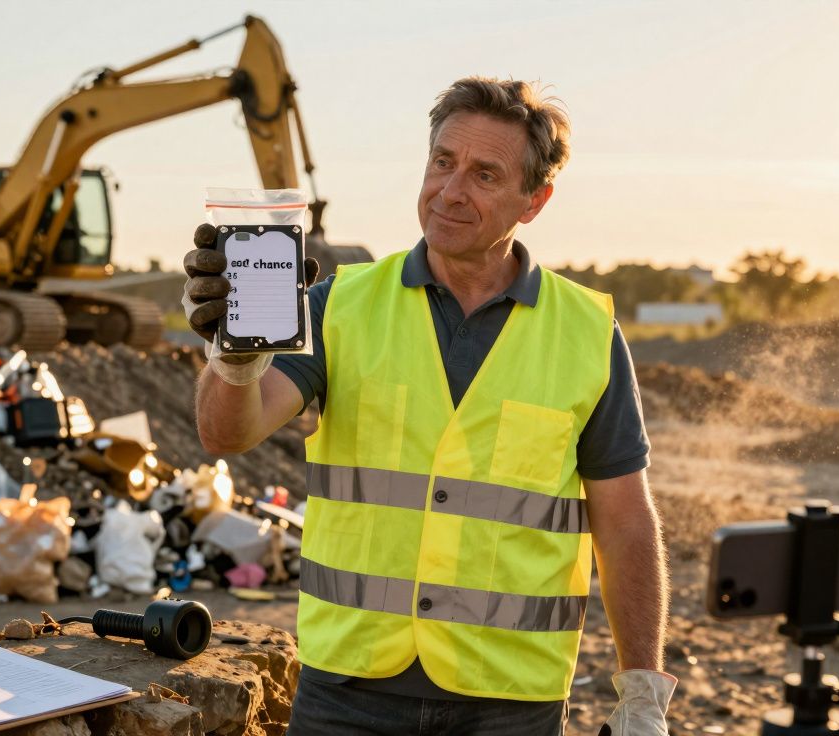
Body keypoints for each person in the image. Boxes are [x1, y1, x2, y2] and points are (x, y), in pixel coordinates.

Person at [184, 77, 676, 736]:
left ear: (535, 201)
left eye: (484, 174)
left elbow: (625, 522)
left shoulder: (586, 333)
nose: (450, 190)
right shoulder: (341, 304)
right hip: (347, 689)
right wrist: (235, 359)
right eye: (443, 162)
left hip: (510, 701)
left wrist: (642, 690)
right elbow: (226, 433)